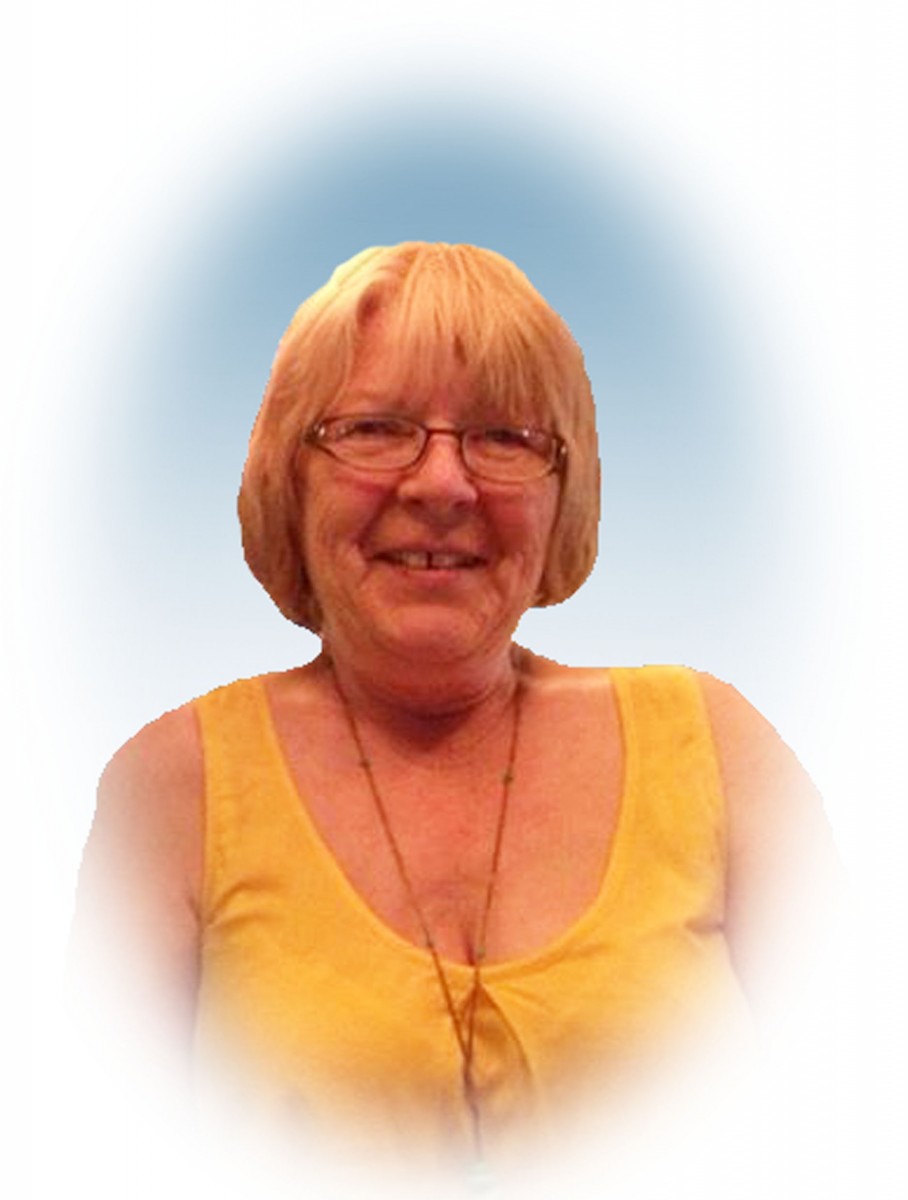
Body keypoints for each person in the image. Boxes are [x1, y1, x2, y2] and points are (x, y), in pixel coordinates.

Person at [72, 242, 839, 1188]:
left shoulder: (719, 747)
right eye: (374, 429)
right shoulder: (170, 788)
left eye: (505, 438)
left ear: (563, 494)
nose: (441, 485)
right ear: (288, 477)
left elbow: (850, 1114)